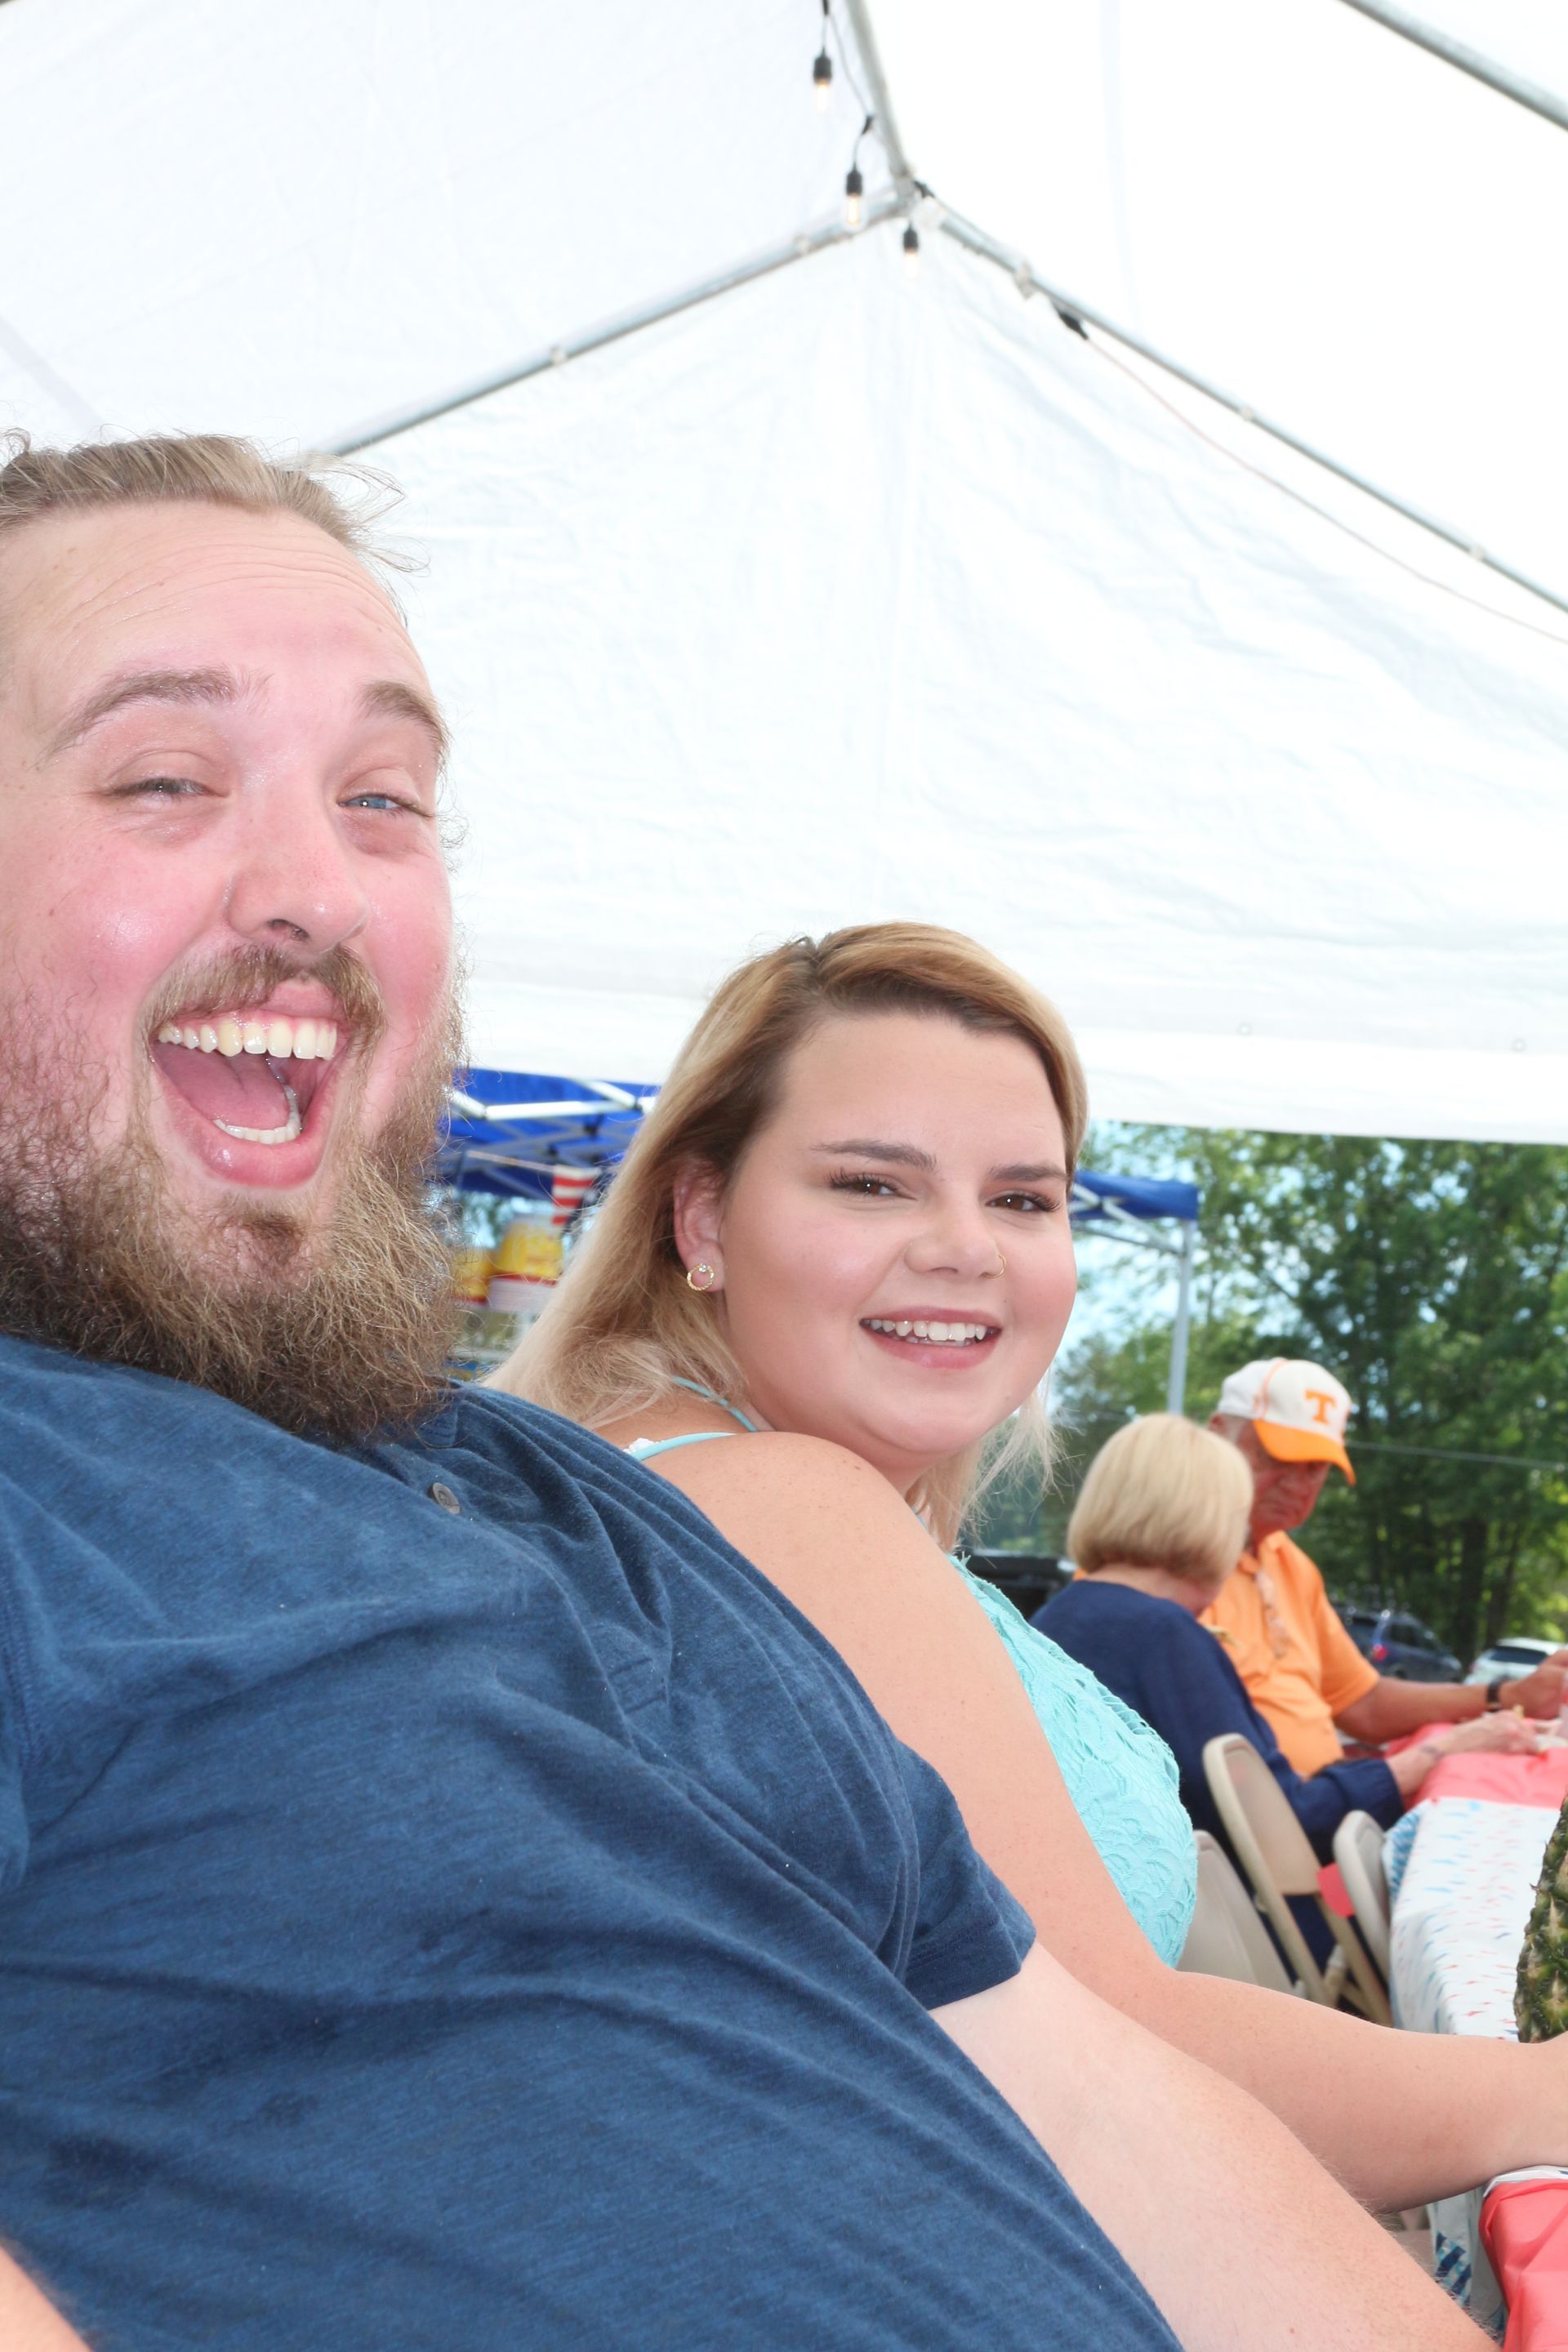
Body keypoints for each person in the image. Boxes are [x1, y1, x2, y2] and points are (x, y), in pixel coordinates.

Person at [0, 430, 1475, 2352]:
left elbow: (1099, 2109)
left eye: (386, 799)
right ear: (694, 1216)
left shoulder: (566, 1502)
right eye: (166, 778)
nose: (317, 888)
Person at [500, 920, 1568, 2238]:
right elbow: (1110, 2049)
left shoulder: (700, 1479)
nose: (966, 1248)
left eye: (1023, 1198)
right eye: (872, 1184)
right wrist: (1540, 2089)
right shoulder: (782, 1502)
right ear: (702, 1216)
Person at [1037, 1414, 1537, 1864]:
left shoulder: (1056, 1620)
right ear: (1215, 1526)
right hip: (1228, 1942)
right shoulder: (1165, 1637)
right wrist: (1437, 1753)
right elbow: (1286, 1827)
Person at [1205, 1358, 1568, 1774]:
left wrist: (1511, 1694)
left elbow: (1364, 1703)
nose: (1298, 1482)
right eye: (1276, 1455)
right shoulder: (1176, 1561)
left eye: (1316, 1467)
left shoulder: (1292, 1564)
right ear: (1217, 1434)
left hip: (1313, 1816)